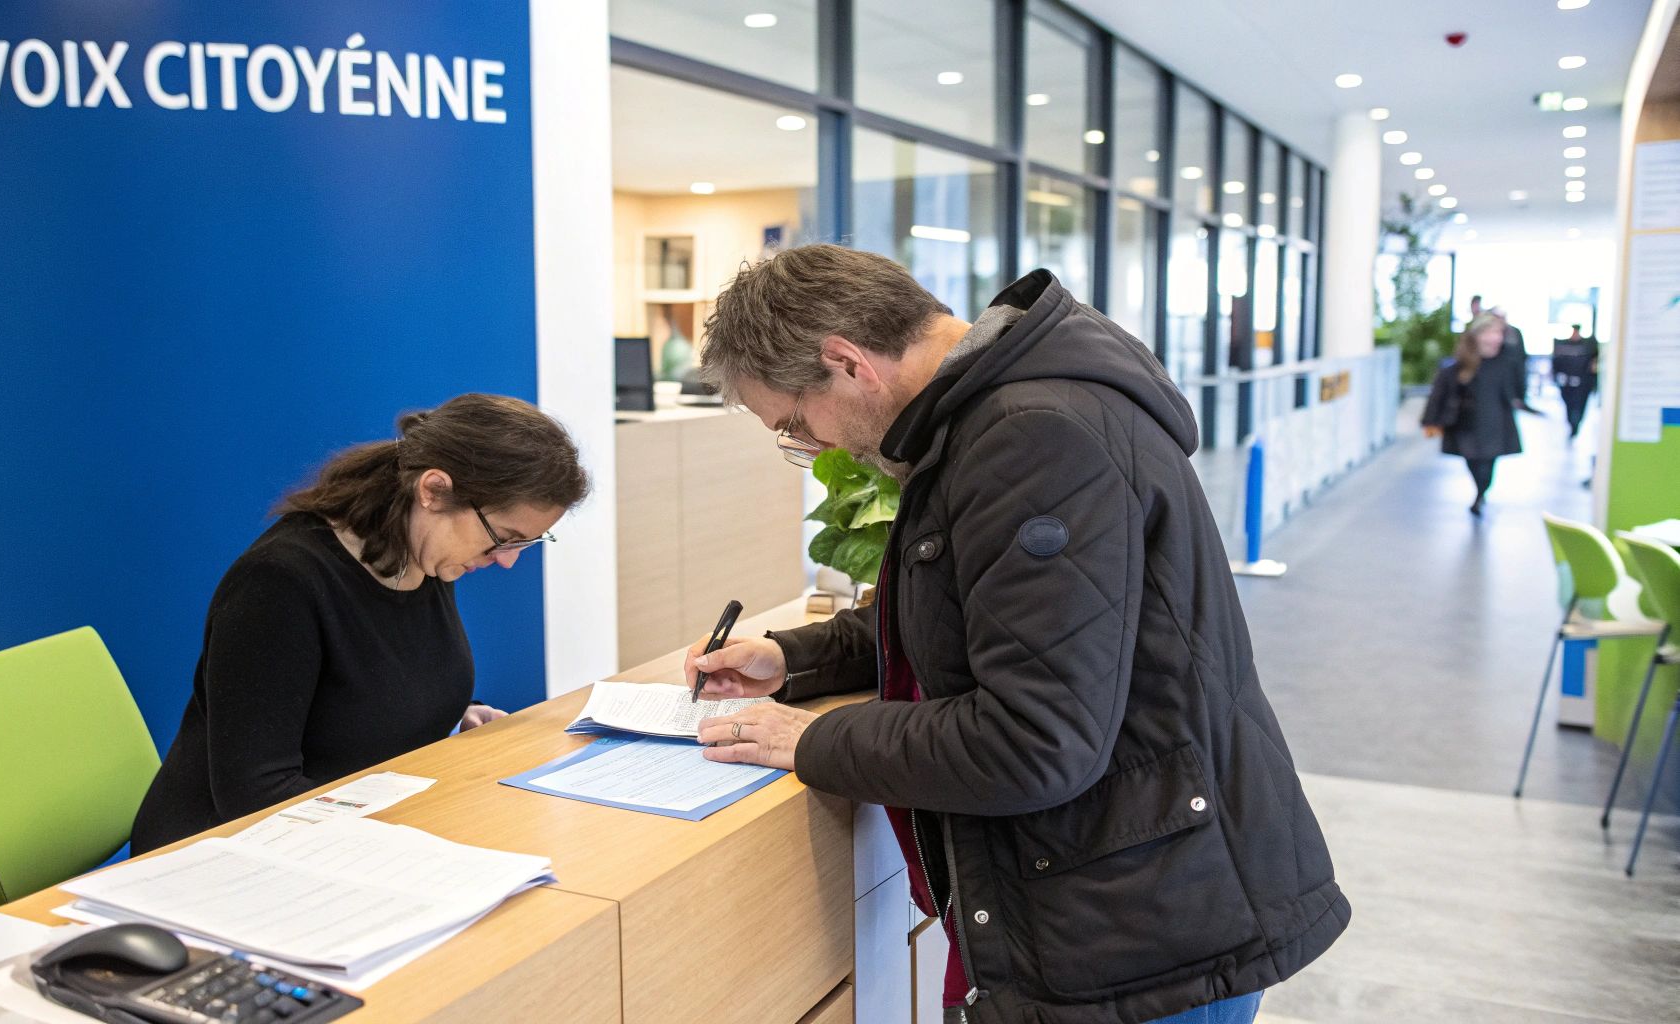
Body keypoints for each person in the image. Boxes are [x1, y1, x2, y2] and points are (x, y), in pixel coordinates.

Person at [680, 245, 1349, 1024]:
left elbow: (1034, 739)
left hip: (1141, 939)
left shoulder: (1030, 439)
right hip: (1136, 895)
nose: (814, 445)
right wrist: (792, 658)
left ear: (846, 361)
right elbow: (985, 613)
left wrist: (813, 741)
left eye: (795, 422)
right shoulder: (996, 415)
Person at [132, 394, 589, 853]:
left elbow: (365, 697)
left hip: (349, 834)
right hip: (216, 855)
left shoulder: (423, 553)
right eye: (502, 539)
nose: (506, 561)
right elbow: (256, 796)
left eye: (525, 543)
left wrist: (454, 719)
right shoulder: (280, 583)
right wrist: (413, 845)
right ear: (432, 491)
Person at [1422, 313, 1523, 516]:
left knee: (1487, 464)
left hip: (1495, 423)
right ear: (1476, 335)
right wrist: (1430, 421)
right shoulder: (1460, 366)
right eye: (1489, 332)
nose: (1494, 338)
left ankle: (1480, 494)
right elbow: (1440, 394)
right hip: (1466, 424)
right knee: (1473, 461)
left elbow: (1518, 384)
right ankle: (1480, 492)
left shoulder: (1506, 362)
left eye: (1498, 333)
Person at [1550, 324, 1600, 439]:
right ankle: (1572, 424)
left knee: (1579, 407)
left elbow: (1593, 365)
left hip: (1582, 384)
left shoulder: (1587, 347)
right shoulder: (1563, 347)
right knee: (1569, 406)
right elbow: (1556, 364)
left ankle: (1575, 425)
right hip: (1566, 383)